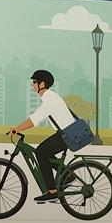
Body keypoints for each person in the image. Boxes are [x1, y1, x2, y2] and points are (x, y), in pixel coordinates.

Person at [10, 69, 73, 202]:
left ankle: (52, 191)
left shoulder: (49, 98)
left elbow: (35, 119)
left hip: (66, 134)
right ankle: (67, 175)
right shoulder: (50, 97)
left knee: (41, 152)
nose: (32, 85)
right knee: (46, 153)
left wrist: (17, 129)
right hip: (66, 133)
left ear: (42, 84)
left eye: (35, 82)